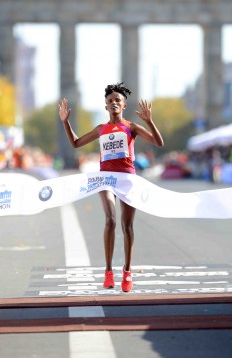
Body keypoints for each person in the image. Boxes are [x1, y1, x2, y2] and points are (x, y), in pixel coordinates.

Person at [58, 82, 164, 292]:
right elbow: (76, 144)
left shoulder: (131, 127)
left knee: (127, 227)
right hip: (106, 178)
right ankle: (108, 272)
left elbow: (158, 143)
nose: (113, 103)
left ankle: (127, 270)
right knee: (110, 220)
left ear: (123, 105)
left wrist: (150, 122)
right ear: (105, 107)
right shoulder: (101, 129)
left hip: (127, 179)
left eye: (117, 100)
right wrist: (65, 122)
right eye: (110, 101)